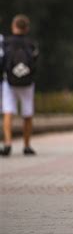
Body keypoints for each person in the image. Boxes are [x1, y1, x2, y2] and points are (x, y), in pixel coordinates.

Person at [1, 15, 39, 156]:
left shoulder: (5, 43)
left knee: (8, 112)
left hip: (9, 82)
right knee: (27, 113)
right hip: (27, 83)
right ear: (27, 28)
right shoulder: (31, 44)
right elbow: (35, 63)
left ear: (13, 26)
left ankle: (8, 143)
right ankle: (27, 145)